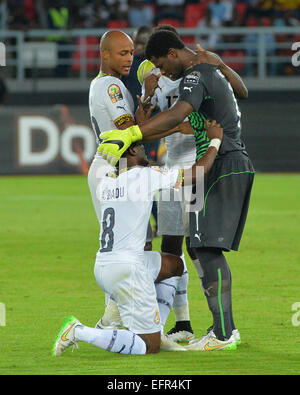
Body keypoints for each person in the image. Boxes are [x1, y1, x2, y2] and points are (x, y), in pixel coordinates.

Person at [98, 29, 255, 351]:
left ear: (172, 54)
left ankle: (224, 333)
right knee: (194, 247)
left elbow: (179, 114)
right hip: (202, 164)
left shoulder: (195, 74)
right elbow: (183, 116)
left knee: (205, 249)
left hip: (212, 164)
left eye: (160, 63)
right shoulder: (196, 70)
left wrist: (130, 136)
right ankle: (200, 326)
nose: (161, 71)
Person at [53, 120, 226, 356]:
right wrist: (214, 141)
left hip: (106, 264)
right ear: (133, 150)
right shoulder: (144, 176)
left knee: (175, 265)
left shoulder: (105, 181)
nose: (148, 150)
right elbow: (196, 174)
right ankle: (78, 331)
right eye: (143, 146)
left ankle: (157, 330)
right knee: (148, 346)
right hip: (127, 269)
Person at [88, 29, 154, 332]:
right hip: (116, 170)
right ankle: (112, 321)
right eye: (122, 53)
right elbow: (130, 131)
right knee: (128, 248)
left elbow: (134, 127)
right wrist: (174, 124)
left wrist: (145, 106)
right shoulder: (111, 86)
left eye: (131, 52)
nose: (129, 58)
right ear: (105, 54)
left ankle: (116, 318)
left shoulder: (107, 84)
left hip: (116, 170)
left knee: (130, 246)